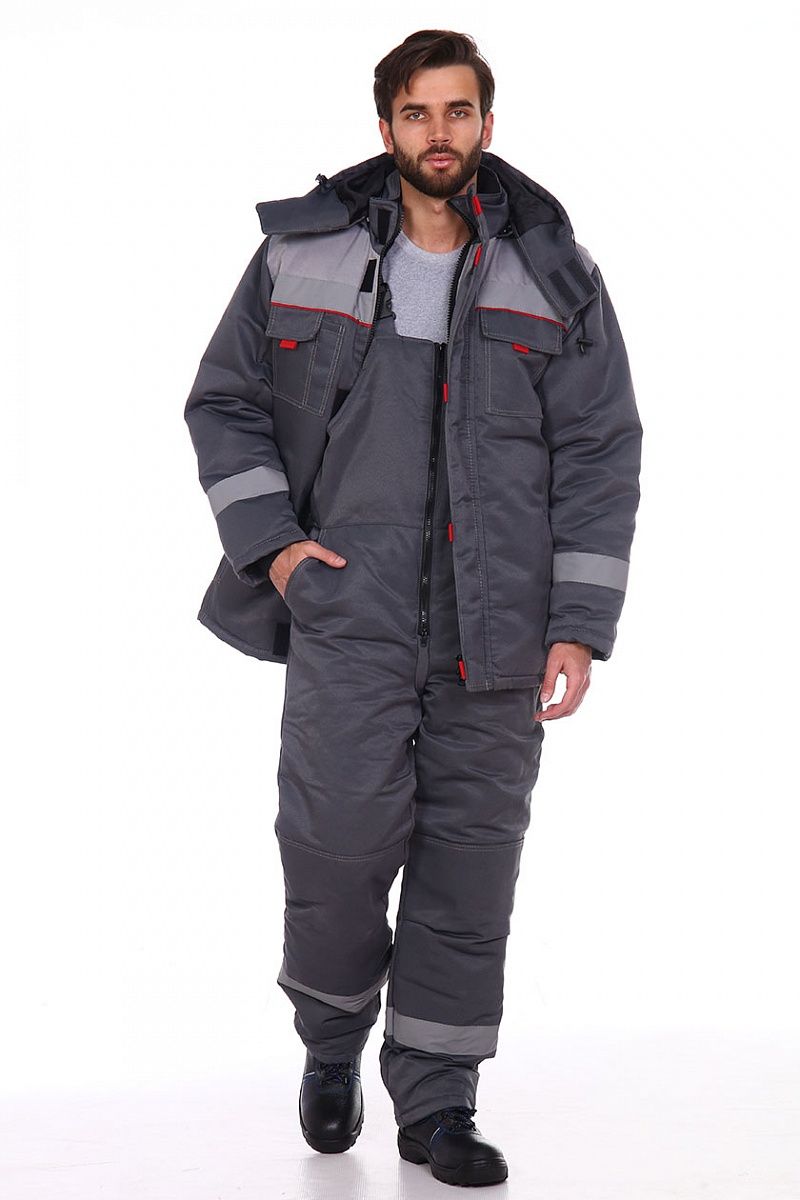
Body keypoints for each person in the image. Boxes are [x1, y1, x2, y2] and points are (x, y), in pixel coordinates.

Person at [184, 28, 643, 1189]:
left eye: (458, 111)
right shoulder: (304, 254)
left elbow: (599, 448)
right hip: (351, 610)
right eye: (416, 112)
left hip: (499, 626)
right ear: (384, 124)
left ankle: (437, 1102)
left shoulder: (555, 272)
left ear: (487, 122)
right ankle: (331, 1040)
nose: (439, 134)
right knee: (333, 844)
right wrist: (276, 553)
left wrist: (576, 623)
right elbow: (225, 403)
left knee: (469, 865)